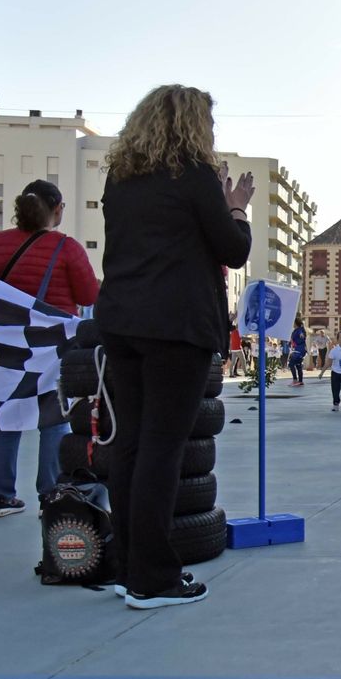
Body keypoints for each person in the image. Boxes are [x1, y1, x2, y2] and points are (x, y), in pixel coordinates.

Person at [95, 84, 252, 609]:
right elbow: (232, 251)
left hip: (120, 323)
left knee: (131, 446)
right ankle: (155, 578)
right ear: (193, 125)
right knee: (163, 449)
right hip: (175, 328)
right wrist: (236, 209)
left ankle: (127, 566)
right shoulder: (195, 174)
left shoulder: (121, 178)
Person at [0, 179, 100, 517]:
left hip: (6, 342)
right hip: (51, 346)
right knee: (54, 419)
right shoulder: (66, 247)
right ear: (57, 209)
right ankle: (51, 493)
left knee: (5, 417)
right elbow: (89, 296)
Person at [287, 317, 307, 387]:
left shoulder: (300, 331)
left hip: (299, 350)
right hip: (298, 349)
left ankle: (295, 380)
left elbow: (301, 339)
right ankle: (300, 381)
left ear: (295, 323)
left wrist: (294, 343)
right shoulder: (297, 330)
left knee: (291, 364)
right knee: (298, 365)